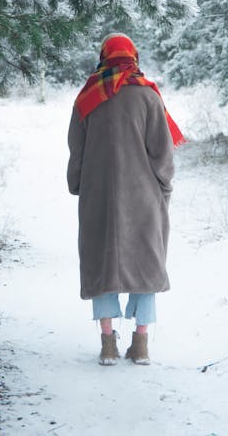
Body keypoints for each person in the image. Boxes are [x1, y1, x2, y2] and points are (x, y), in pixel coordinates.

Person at [66, 33, 185, 365]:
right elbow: (162, 152)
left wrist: (78, 185)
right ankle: (141, 344)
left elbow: (76, 149)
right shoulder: (148, 96)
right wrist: (164, 188)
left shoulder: (87, 97)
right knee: (146, 264)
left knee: (101, 265)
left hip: (98, 195)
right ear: (134, 56)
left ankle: (107, 344)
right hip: (143, 197)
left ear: (103, 56)